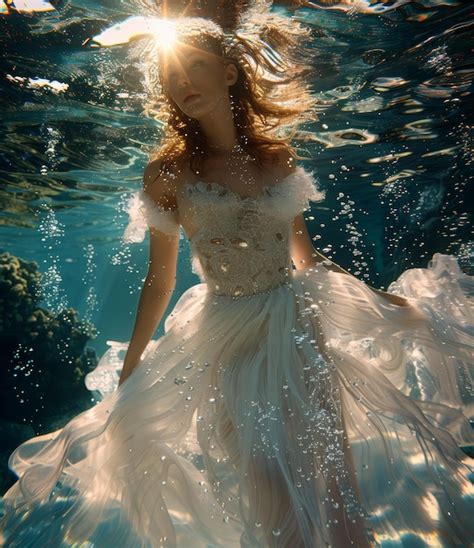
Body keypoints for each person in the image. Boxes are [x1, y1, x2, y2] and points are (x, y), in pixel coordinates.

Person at [2, 14, 473, 548]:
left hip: (298, 329)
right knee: (265, 477)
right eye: (171, 76)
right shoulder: (167, 172)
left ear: (229, 73)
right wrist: (133, 366)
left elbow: (307, 259)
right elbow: (159, 279)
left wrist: (381, 302)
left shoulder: (277, 157)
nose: (182, 84)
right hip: (229, 336)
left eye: (195, 68)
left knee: (329, 471)